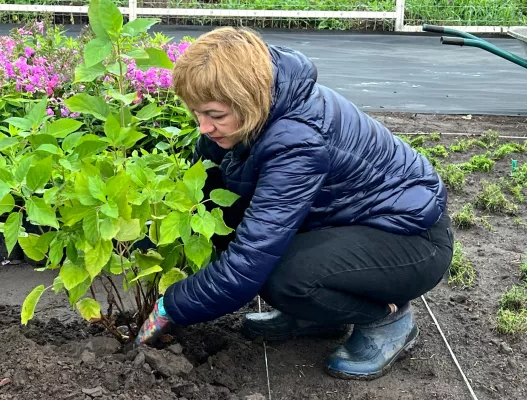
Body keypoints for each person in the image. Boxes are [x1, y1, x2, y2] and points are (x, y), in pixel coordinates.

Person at [134, 26, 454, 380]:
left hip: (411, 240)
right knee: (243, 238)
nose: (204, 127)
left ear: (247, 99)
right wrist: (146, 242)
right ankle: (318, 316)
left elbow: (246, 265)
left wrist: (169, 306)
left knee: (282, 277)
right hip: (348, 223)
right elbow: (208, 204)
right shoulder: (244, 118)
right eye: (197, 114)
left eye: (214, 115)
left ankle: (388, 319)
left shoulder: (296, 140)